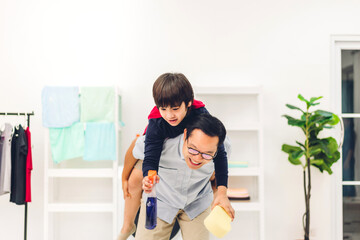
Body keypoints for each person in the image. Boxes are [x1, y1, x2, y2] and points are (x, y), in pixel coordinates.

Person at [118, 73, 231, 239]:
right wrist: (146, 177)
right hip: (161, 200)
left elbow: (221, 161)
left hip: (195, 202)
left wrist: (221, 192)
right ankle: (127, 226)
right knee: (137, 175)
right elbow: (147, 157)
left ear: (189, 104)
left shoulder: (206, 126)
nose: (170, 115)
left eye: (175, 109)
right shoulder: (157, 127)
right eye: (163, 109)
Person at [136, 113, 234, 240]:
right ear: (185, 135)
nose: (197, 158)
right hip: (160, 201)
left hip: (197, 202)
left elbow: (219, 173)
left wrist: (221, 195)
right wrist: (126, 178)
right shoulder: (161, 143)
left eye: (207, 155)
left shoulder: (223, 148)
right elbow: (133, 153)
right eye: (193, 149)